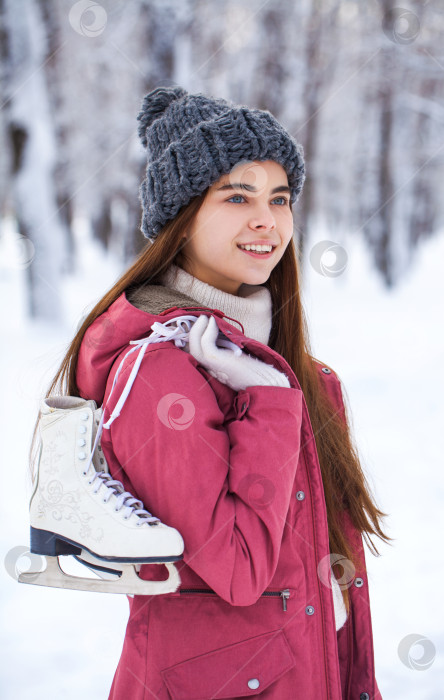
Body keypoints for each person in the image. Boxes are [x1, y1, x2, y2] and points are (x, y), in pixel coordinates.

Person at [46, 85, 389, 699]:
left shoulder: (275, 361)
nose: (268, 220)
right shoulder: (161, 371)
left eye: (280, 199)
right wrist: (269, 405)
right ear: (180, 221)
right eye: (237, 197)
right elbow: (237, 569)